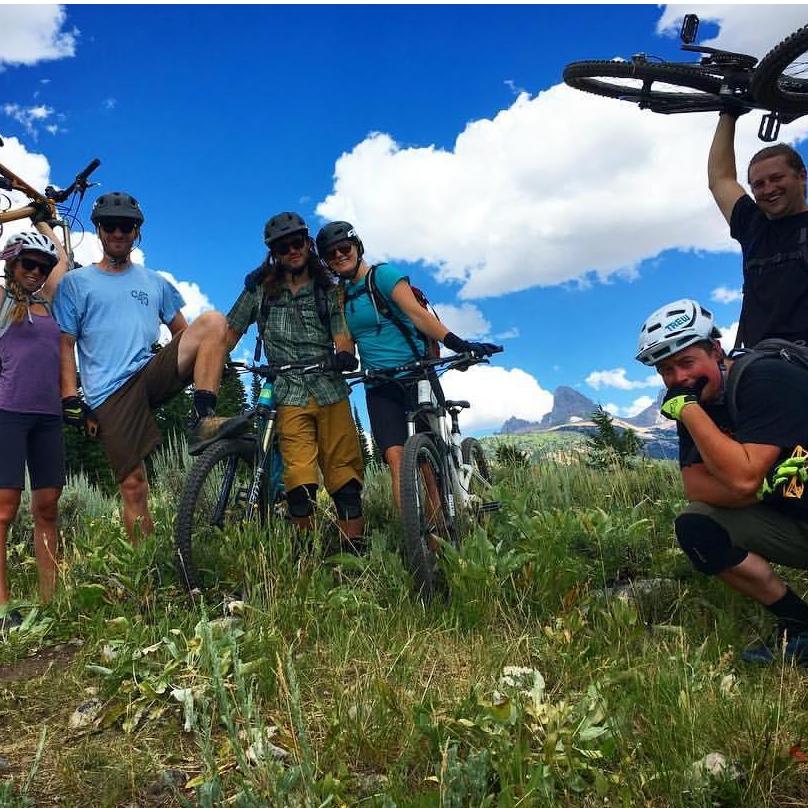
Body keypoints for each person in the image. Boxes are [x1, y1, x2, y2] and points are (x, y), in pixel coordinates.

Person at [637, 298, 808, 664]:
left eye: (686, 362)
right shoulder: (693, 406)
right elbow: (695, 487)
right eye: (666, 370)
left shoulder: (764, 379)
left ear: (716, 350)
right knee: (697, 525)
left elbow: (743, 480)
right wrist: (760, 490)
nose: (678, 379)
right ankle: (799, 624)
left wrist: (688, 411)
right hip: (793, 519)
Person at [53, 191, 229, 543]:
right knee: (134, 486)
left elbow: (183, 331)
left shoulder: (155, 282)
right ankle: (144, 564)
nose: (119, 233)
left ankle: (204, 417)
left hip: (148, 374)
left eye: (127, 226)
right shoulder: (76, 283)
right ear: (99, 231)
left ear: (137, 233)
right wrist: (70, 398)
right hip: (108, 394)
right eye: (111, 226)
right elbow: (65, 344)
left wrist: (202, 361)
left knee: (211, 321)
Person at [316, 221, 499, 511]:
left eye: (344, 248)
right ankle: (417, 540)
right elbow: (346, 340)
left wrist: (457, 343)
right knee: (396, 459)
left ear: (357, 247)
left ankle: (444, 524)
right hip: (379, 383)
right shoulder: (340, 297)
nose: (339, 255)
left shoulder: (384, 276)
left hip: (416, 374)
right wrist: (344, 357)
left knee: (428, 461)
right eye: (330, 254)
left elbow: (417, 315)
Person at [226, 212, 365, 549]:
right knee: (298, 481)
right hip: (288, 393)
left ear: (308, 243)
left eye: (298, 242)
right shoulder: (259, 291)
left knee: (344, 476)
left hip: (329, 388)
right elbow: (229, 331)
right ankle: (306, 553)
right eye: (283, 246)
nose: (293, 250)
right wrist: (215, 366)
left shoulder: (328, 290)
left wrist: (344, 354)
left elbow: (342, 332)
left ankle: (353, 553)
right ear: (274, 252)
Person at [0, 222, 69, 629]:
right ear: (11, 262)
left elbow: (66, 262)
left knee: (47, 507)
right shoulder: (3, 300)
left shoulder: (52, 303)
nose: (36, 272)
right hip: (7, 413)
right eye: (29, 264)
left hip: (49, 419)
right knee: (4, 510)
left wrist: (46, 217)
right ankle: (3, 606)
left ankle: (51, 600)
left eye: (42, 267)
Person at [707, 110, 808, 347]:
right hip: (761, 362)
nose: (768, 189)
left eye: (776, 178)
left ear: (801, 176)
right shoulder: (752, 226)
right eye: (758, 184)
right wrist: (728, 113)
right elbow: (721, 179)